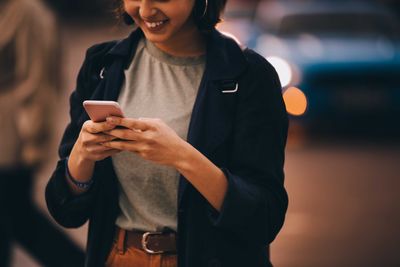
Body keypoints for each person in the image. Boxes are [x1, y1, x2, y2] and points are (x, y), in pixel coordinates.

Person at [45, 0, 289, 266]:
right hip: (120, 257)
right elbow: (65, 211)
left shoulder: (249, 75)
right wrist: (81, 156)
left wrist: (182, 156)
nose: (146, 10)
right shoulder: (102, 65)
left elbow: (264, 218)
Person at [0, 0, 86, 266]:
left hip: (11, 142)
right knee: (17, 221)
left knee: (17, 219)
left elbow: (38, 83)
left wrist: (34, 143)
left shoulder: (28, 12)